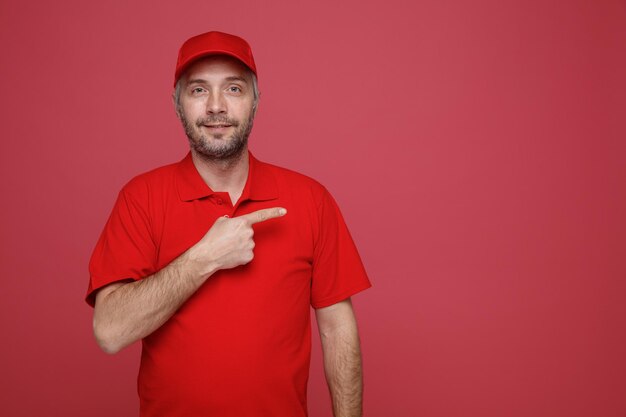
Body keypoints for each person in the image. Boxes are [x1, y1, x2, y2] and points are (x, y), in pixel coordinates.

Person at [86, 30, 371, 417]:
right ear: (177, 103)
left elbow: (338, 331)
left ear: (255, 101)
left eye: (234, 89)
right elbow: (109, 332)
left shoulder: (311, 200)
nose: (216, 106)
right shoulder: (141, 199)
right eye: (199, 90)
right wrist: (204, 258)